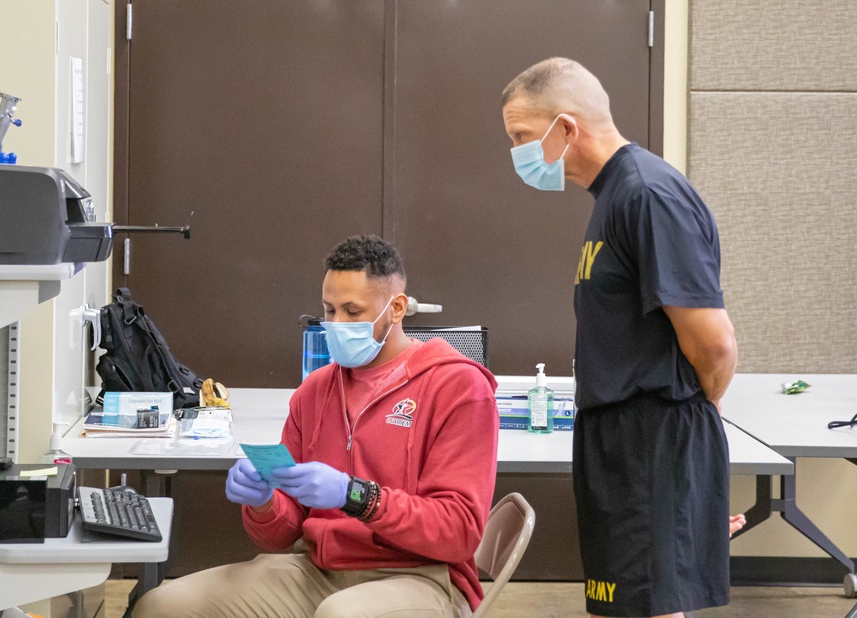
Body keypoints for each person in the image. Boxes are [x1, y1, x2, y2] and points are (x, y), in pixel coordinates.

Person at [133, 234, 499, 618]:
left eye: (353, 312)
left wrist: (357, 496)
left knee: (339, 614)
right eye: (329, 310)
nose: (337, 324)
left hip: (421, 575)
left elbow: (458, 533)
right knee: (162, 606)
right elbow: (281, 535)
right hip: (318, 569)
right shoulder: (316, 391)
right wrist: (263, 502)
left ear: (397, 308)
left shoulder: (458, 387)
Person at [500, 58, 738, 618]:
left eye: (521, 137)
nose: (515, 154)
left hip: (654, 436)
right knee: (620, 609)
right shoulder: (611, 197)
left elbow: (715, 342)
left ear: (565, 127)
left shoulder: (647, 195)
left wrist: (688, 421)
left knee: (651, 610)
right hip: (619, 438)